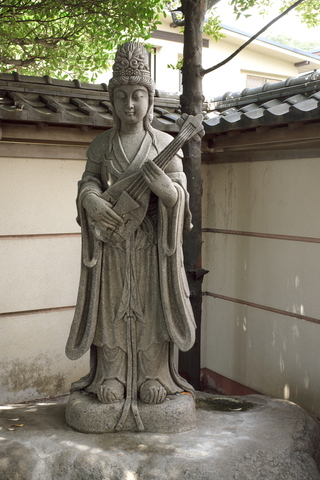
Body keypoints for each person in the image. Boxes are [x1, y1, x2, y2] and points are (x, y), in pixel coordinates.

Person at [65, 42, 196, 430]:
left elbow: (179, 193)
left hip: (151, 245)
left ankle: (154, 375)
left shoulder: (164, 144)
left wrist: (167, 192)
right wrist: (90, 200)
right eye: (121, 96)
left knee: (151, 308)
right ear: (112, 100)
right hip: (112, 246)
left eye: (137, 95)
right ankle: (111, 375)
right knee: (110, 310)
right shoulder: (102, 144)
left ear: (150, 99)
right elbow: (89, 181)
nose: (129, 104)